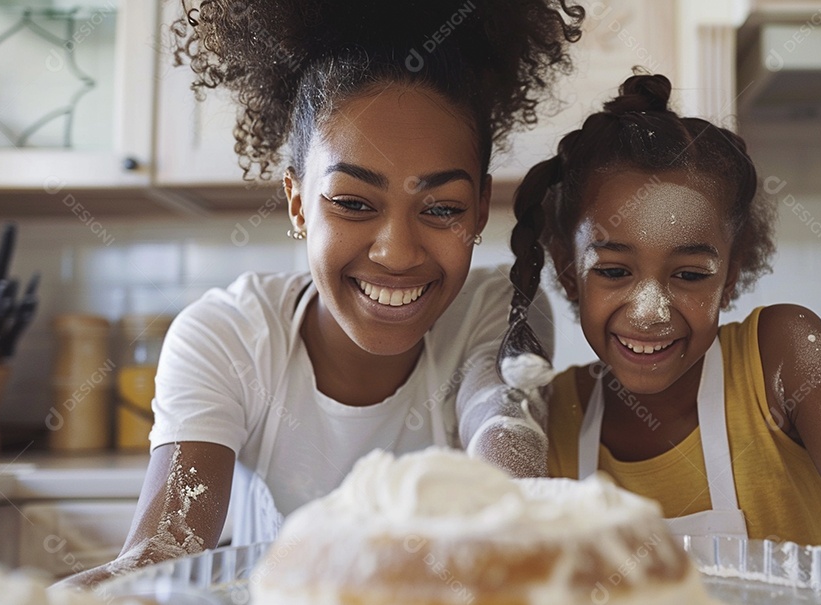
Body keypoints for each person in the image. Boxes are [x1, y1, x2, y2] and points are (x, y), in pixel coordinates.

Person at [57, 0, 583, 588]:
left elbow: (507, 454)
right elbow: (157, 560)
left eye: (442, 209)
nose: (397, 252)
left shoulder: (500, 307)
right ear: (298, 202)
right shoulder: (228, 337)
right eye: (354, 203)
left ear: (481, 209)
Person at [498, 73, 821, 605]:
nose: (651, 312)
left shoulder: (781, 355)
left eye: (689, 275)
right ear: (569, 272)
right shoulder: (551, 415)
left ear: (731, 276)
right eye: (614, 271)